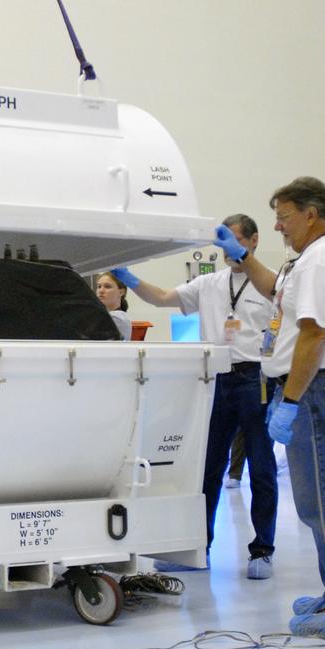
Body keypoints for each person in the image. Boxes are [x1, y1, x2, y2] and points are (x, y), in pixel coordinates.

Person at [237, 176, 325, 637]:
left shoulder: (321, 262)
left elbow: (314, 334)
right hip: (318, 389)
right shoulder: (312, 261)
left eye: (283, 216)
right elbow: (279, 291)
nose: (277, 226)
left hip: (317, 391)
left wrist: (290, 399)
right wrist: (243, 256)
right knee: (318, 504)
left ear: (311, 214)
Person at [110, 213, 279, 580]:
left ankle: (263, 550)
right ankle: (199, 545)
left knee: (262, 468)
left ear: (252, 241)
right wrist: (130, 278)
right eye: (221, 242)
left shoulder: (269, 285)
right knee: (208, 468)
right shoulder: (209, 283)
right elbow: (162, 298)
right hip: (215, 378)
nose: (226, 249)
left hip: (255, 378)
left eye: (233, 241)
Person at [95, 271, 132, 340]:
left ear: (121, 292)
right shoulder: (110, 315)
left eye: (107, 286)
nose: (101, 291)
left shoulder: (116, 317)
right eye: (99, 286)